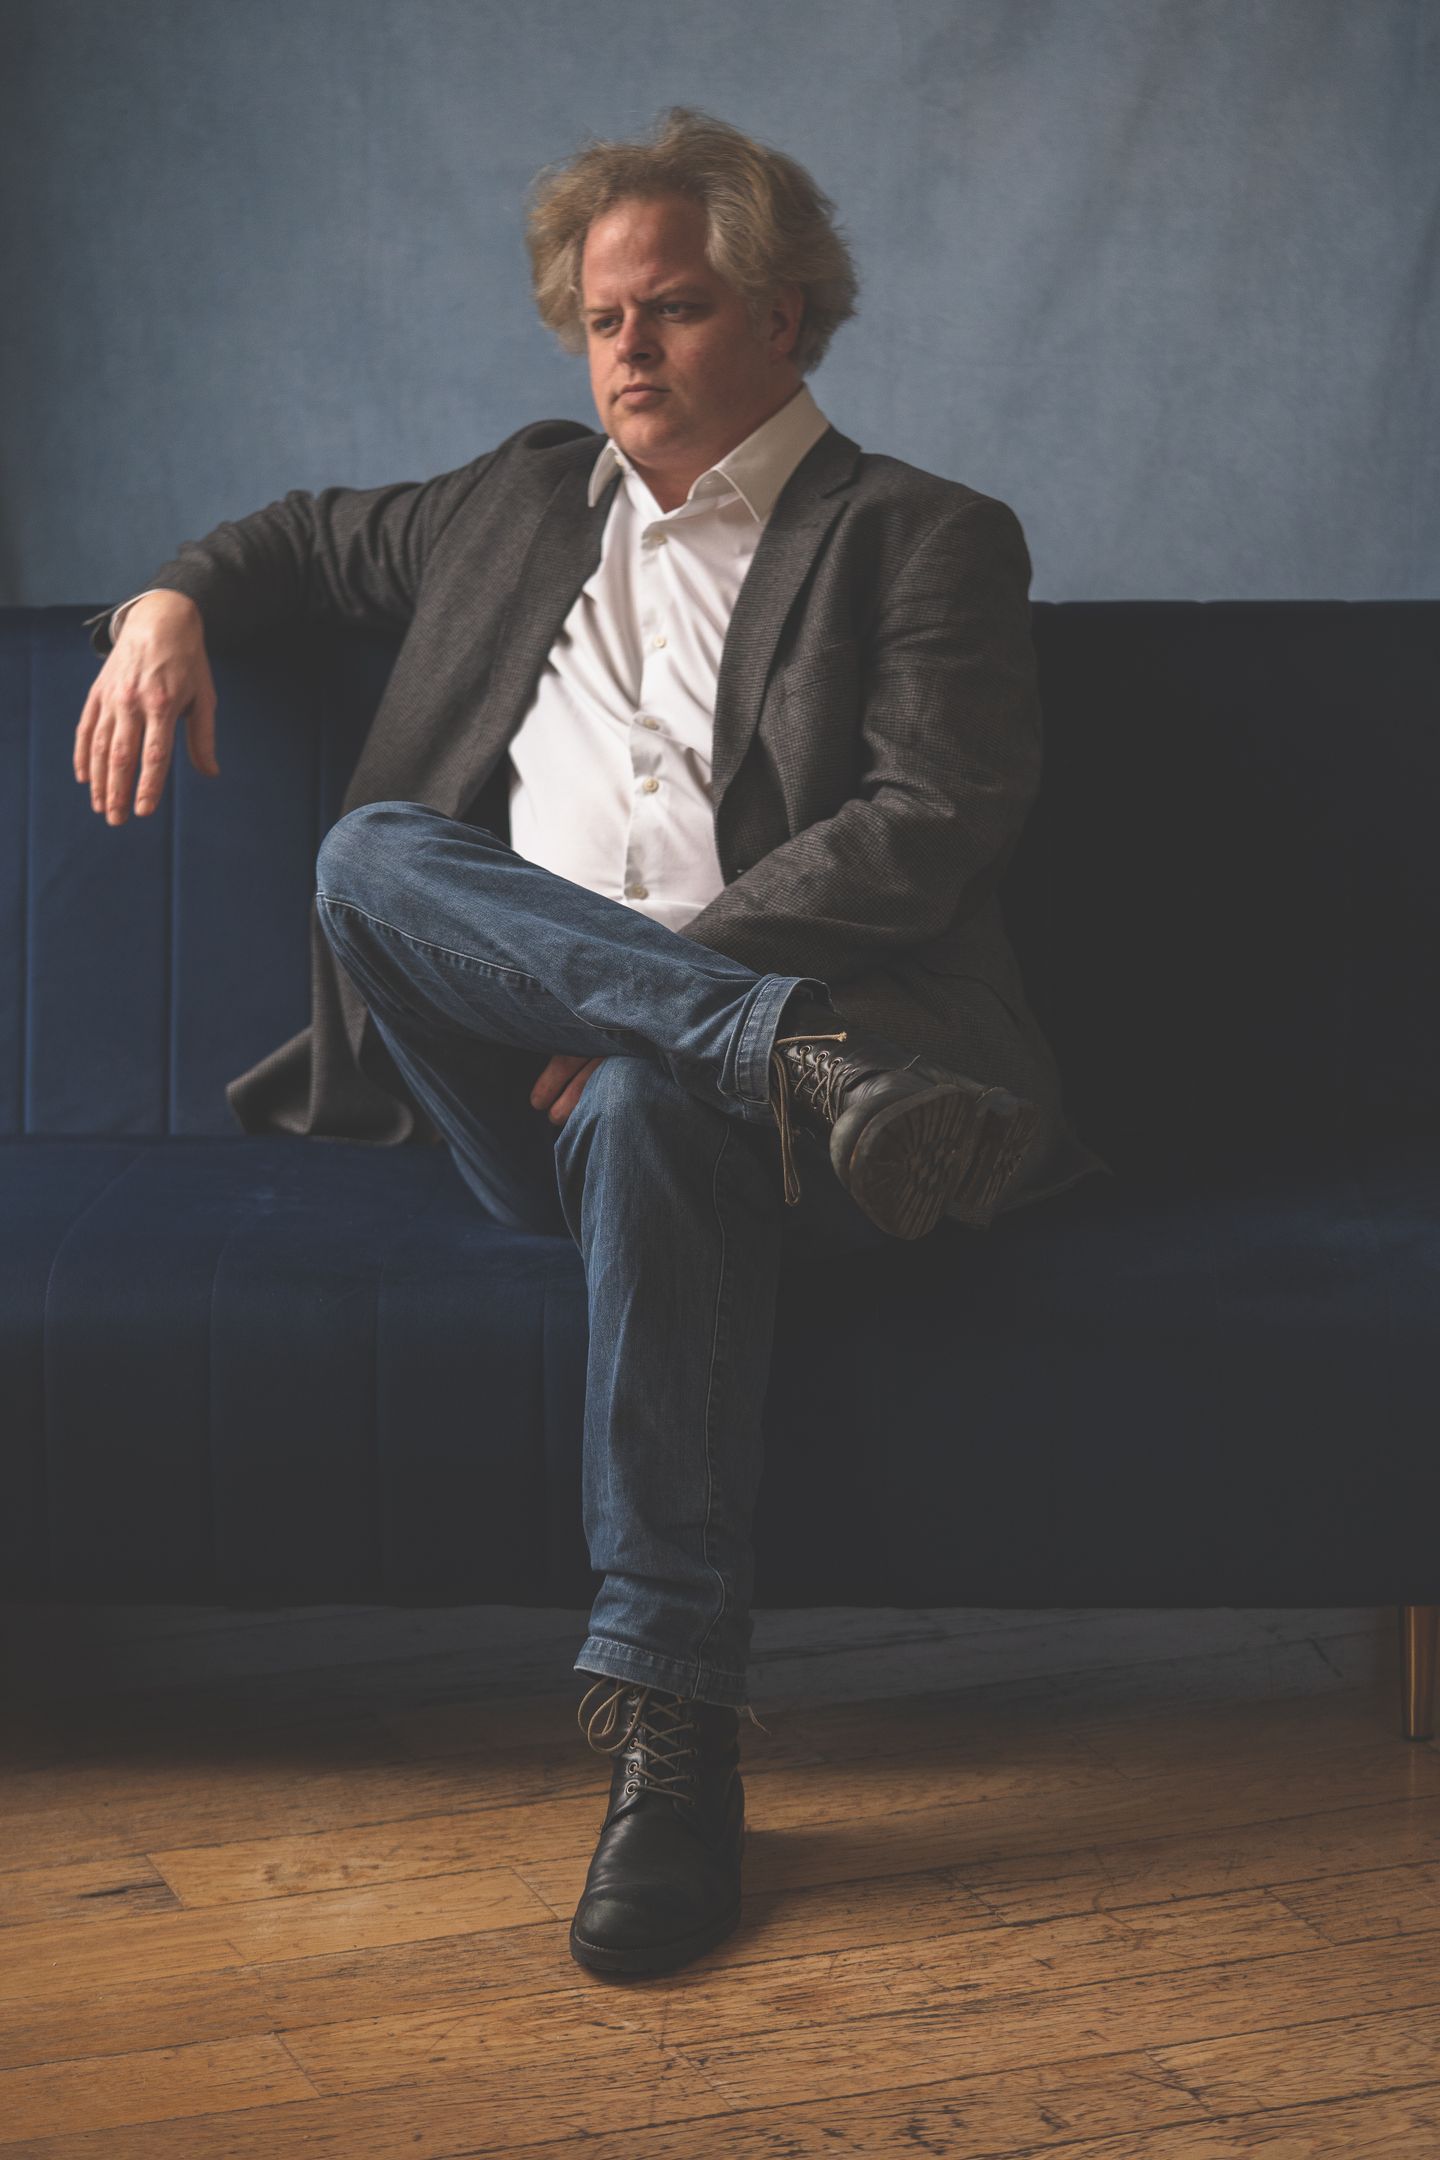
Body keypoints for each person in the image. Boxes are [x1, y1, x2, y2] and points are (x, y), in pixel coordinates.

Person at [73, 107, 1109, 1980]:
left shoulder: (922, 537)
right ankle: (776, 1054)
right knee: (371, 857)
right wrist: (168, 604)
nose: (626, 348)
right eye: (601, 316)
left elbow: (931, 819)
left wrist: (655, 992)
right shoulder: (513, 500)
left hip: (726, 1095)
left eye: (675, 308)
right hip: (544, 1091)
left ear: (783, 315)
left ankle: (671, 1750)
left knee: (646, 1093)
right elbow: (294, 541)